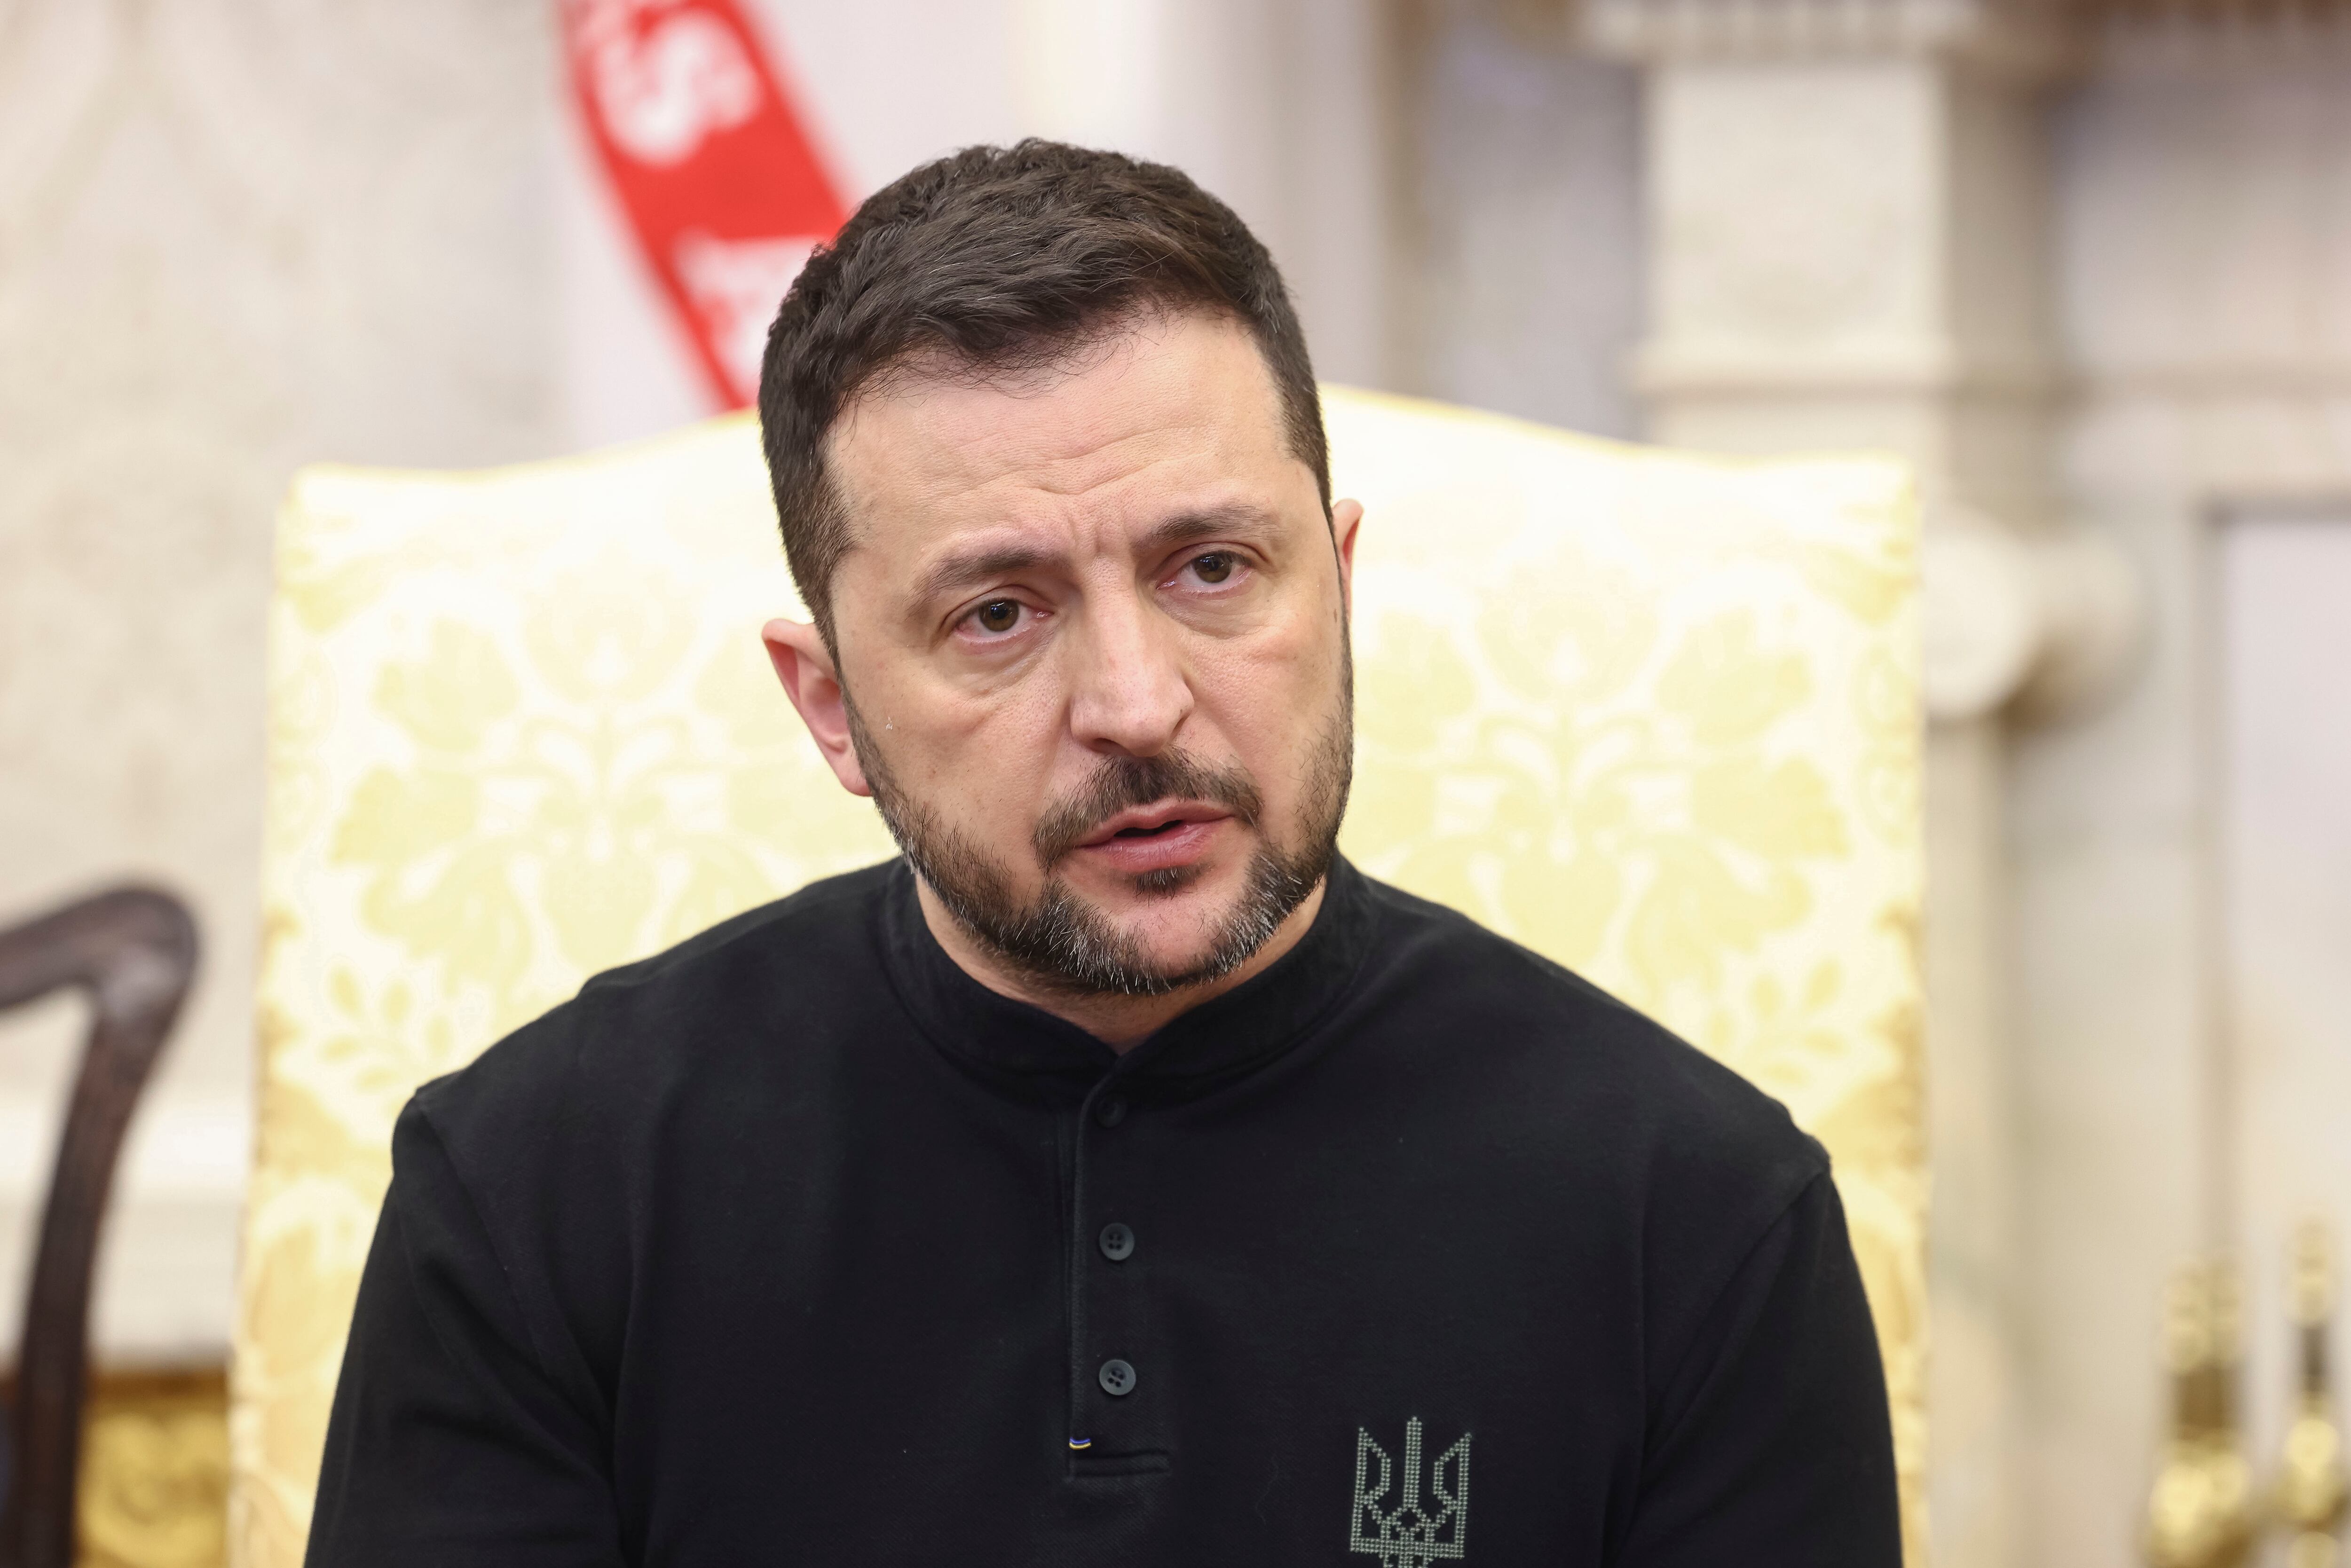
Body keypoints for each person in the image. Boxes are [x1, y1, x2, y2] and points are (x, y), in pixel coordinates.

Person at [307, 141, 1899, 1566]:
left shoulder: (1699, 1216)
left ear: (1336, 590)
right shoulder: (534, 1190)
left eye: (1213, 569)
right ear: (832, 706)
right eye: (997, 613)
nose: (1138, 706)